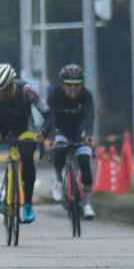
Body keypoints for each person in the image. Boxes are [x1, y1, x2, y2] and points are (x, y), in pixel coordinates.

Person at [0, 63, 49, 223]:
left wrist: (43, 132)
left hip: (23, 125)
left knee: (27, 156)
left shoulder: (27, 90)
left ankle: (28, 204)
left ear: (9, 87)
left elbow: (47, 113)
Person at [43, 64, 96, 219]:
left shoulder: (86, 96)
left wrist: (90, 136)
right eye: (69, 85)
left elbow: (89, 118)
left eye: (77, 85)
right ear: (62, 85)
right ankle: (59, 179)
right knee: (59, 151)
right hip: (60, 130)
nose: (73, 89)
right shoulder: (54, 96)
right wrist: (50, 139)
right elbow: (50, 120)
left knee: (85, 162)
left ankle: (86, 203)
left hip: (79, 132)